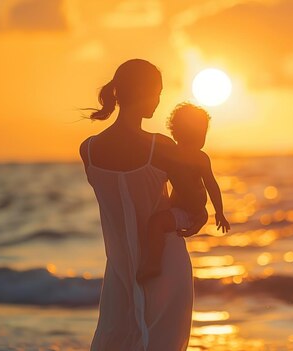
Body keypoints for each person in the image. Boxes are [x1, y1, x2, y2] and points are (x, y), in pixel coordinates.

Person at [79, 59, 205, 351]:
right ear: (146, 93)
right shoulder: (160, 147)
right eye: (158, 92)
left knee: (113, 342)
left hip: (120, 270)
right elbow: (194, 207)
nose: (159, 100)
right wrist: (191, 216)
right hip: (165, 266)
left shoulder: (88, 150)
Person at [136, 103, 230, 283]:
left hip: (188, 212)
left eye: (202, 135)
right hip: (182, 207)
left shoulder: (199, 158)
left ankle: (153, 264)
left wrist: (220, 211)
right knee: (158, 216)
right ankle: (200, 217)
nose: (200, 140)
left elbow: (212, 185)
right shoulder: (171, 154)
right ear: (177, 133)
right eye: (197, 135)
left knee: (156, 223)